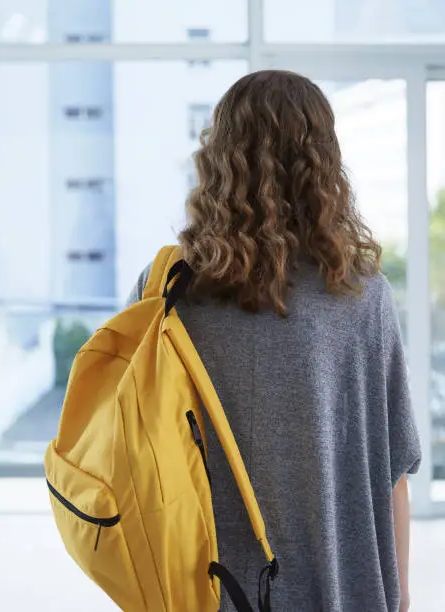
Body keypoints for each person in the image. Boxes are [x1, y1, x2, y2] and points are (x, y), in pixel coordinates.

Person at [127, 70, 421, 612]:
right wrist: (399, 601)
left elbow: (134, 455)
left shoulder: (167, 289)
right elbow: (392, 471)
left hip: (200, 587)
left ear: (218, 158)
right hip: (339, 589)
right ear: (324, 163)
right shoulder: (360, 295)